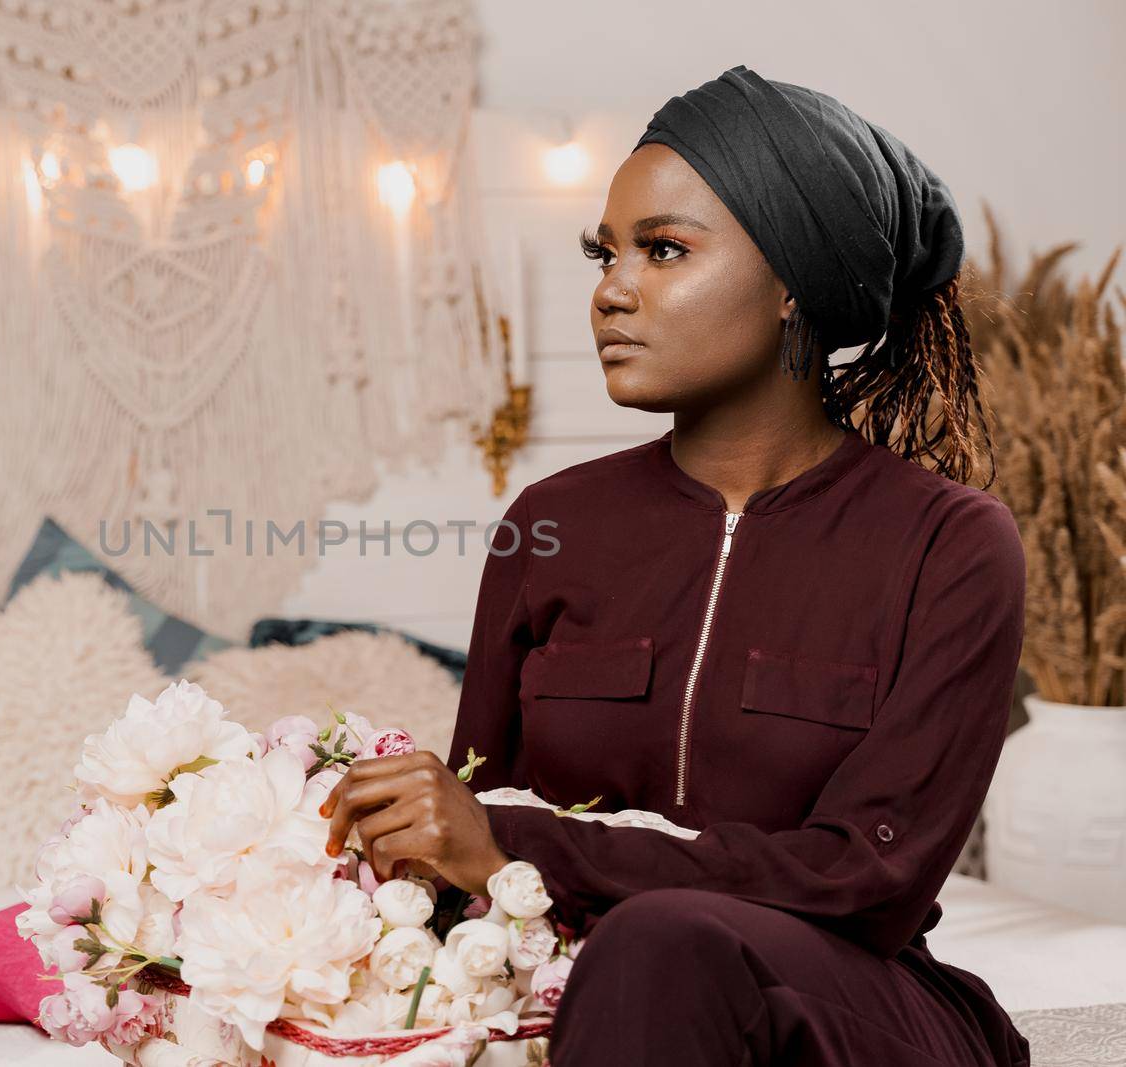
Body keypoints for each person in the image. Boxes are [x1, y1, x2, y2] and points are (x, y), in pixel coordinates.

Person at [320, 64, 1031, 1066]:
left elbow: (870, 876)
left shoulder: (948, 542)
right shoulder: (550, 521)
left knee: (662, 938)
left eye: (662, 251)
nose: (612, 290)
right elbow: (480, 811)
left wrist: (518, 848)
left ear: (792, 281)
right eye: (603, 254)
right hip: (593, 994)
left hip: (850, 1002)